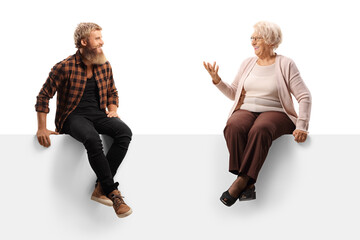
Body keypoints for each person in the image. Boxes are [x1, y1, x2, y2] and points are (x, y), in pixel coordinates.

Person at [203, 21, 311, 206]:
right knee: (233, 126)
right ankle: (248, 183)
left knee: (261, 129)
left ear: (269, 40)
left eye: (256, 38)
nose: (252, 41)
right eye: (251, 38)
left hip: (277, 112)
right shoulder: (248, 63)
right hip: (247, 109)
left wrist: (302, 126)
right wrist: (218, 81)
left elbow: (304, 96)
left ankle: (241, 181)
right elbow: (233, 92)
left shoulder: (286, 64)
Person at [35, 22, 133, 218]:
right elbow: (43, 96)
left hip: (98, 114)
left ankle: (100, 188)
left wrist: (112, 110)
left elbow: (112, 91)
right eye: (97, 39)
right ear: (84, 41)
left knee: (125, 132)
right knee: (92, 138)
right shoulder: (64, 67)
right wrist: (42, 128)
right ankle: (113, 193)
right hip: (72, 116)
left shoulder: (104, 65)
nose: (102, 42)